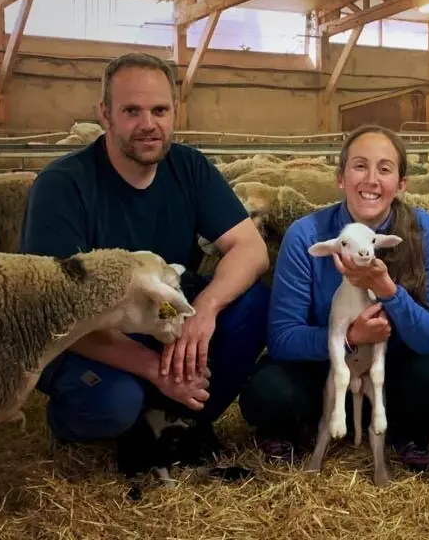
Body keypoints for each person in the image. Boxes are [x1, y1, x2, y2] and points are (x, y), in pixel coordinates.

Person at [20, 52, 271, 463]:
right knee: (115, 403)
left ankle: (181, 417)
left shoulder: (189, 167)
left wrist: (205, 311)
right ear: (105, 113)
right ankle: (80, 421)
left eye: (159, 110)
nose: (148, 124)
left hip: (164, 317)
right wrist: (155, 369)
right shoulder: (62, 186)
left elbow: (251, 248)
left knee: (252, 303)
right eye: (131, 111)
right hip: (88, 332)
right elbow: (56, 313)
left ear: (175, 111)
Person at [238, 124, 429, 472]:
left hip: (388, 367)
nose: (371, 180)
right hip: (322, 370)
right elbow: (282, 338)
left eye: (385, 169)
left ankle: (405, 433)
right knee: (267, 390)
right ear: (341, 178)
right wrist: (350, 337)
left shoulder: (425, 231)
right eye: (360, 166)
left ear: (401, 184)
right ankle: (302, 429)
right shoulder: (307, 235)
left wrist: (389, 291)